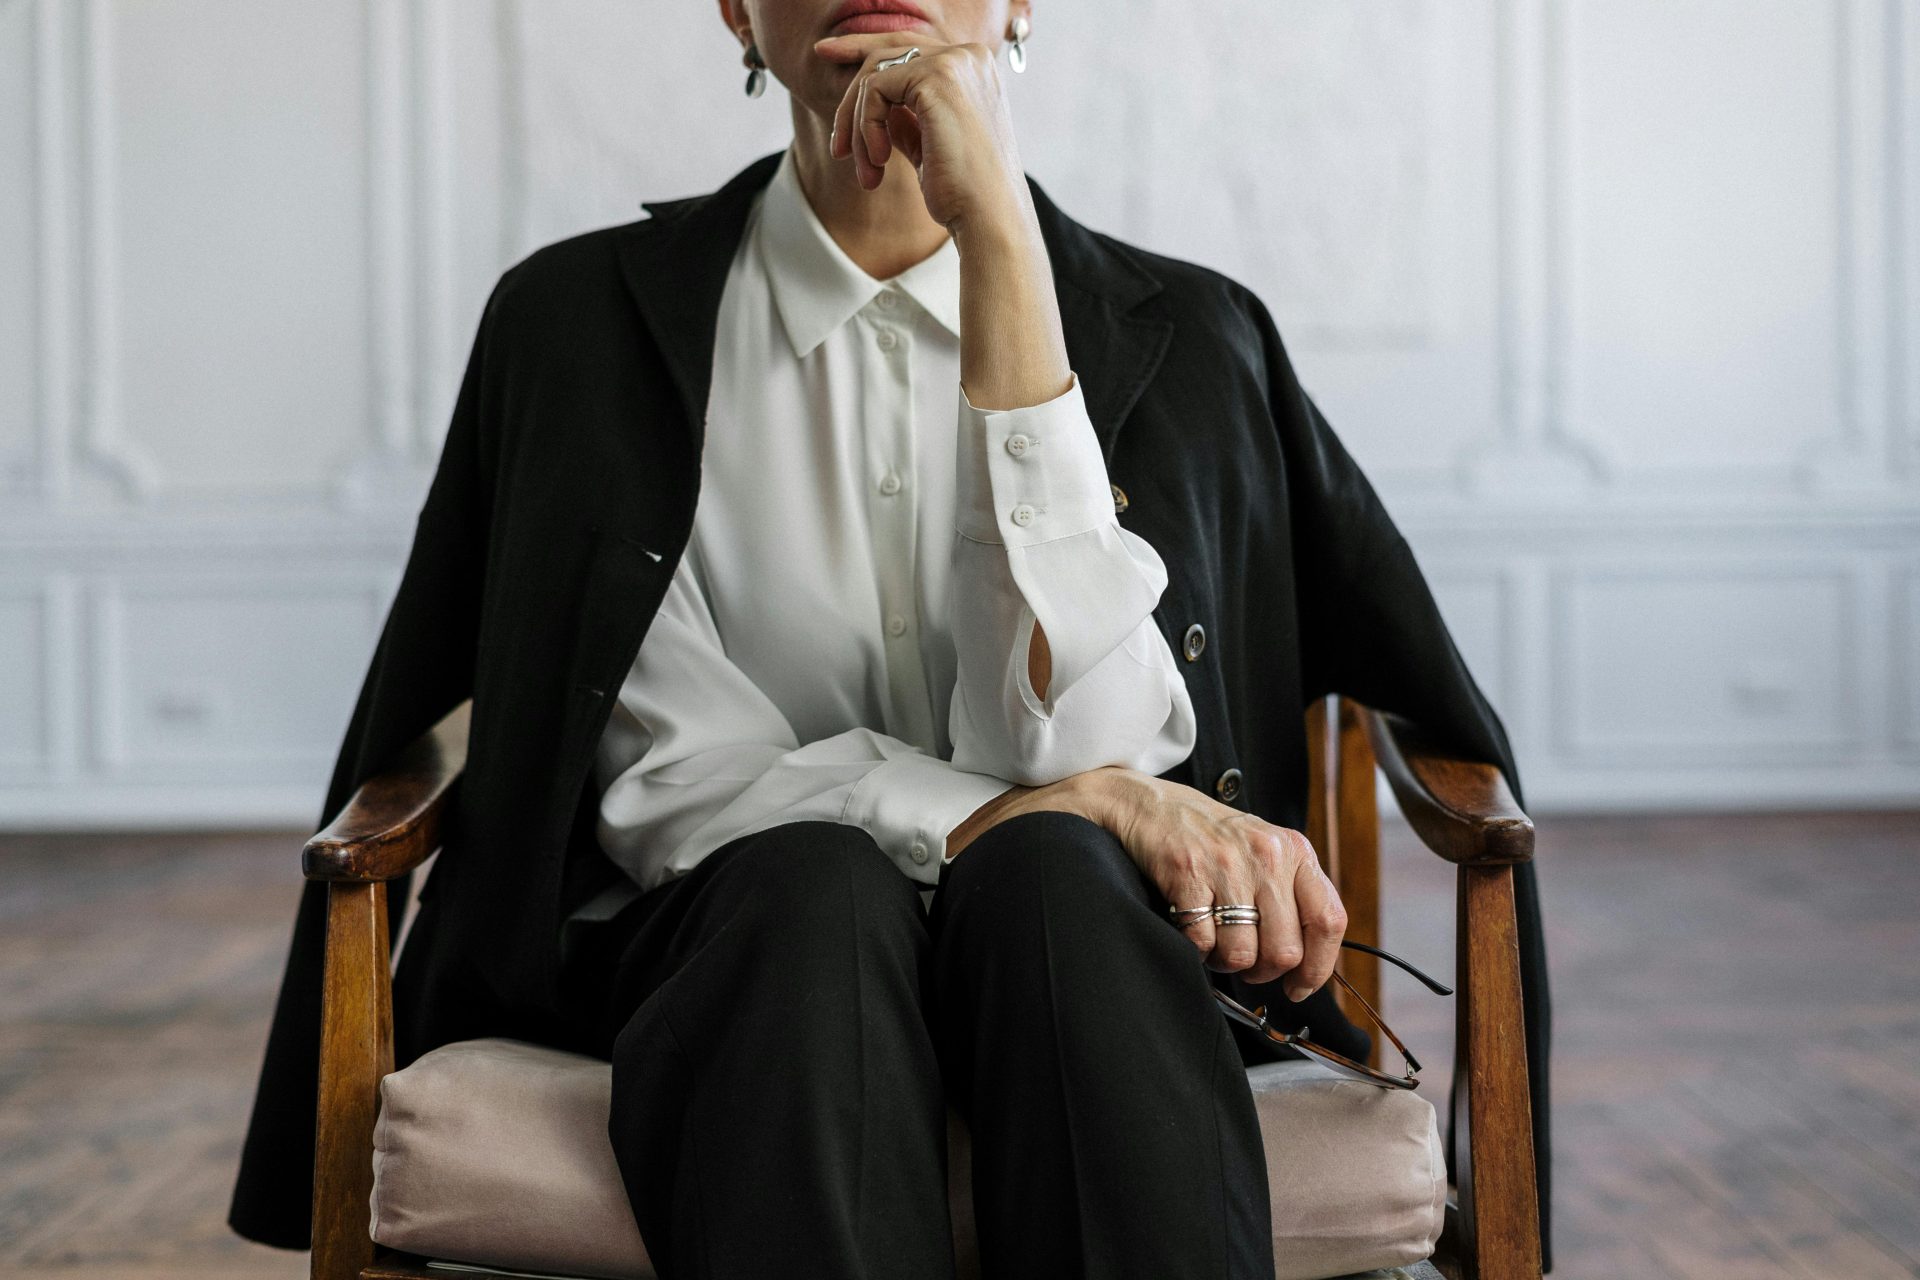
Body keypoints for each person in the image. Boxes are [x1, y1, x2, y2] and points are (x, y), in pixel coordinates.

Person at [226, 0, 1552, 1273]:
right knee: (817, 890)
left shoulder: (1199, 336)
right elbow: (670, 783)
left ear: (1019, 3)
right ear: (738, 9)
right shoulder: (572, 327)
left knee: (1053, 887)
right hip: (724, 952)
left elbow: (1087, 741)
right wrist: (1087, 804)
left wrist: (1002, 248)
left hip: (1089, 960)